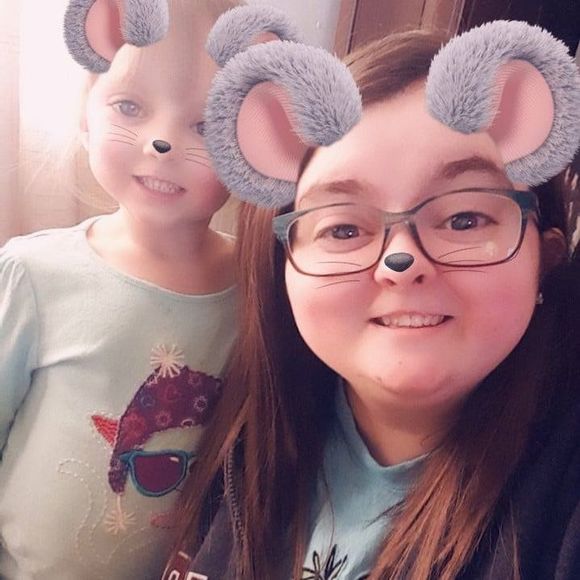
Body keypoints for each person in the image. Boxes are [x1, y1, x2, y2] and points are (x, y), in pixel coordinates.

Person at [163, 13, 580, 580]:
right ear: (283, 270)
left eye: (464, 218)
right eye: (342, 228)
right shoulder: (239, 430)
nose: (399, 264)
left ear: (544, 260)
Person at [0, 0, 243, 578]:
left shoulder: (263, 287)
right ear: (86, 114)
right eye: (130, 106)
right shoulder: (34, 273)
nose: (161, 142)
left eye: (204, 125)